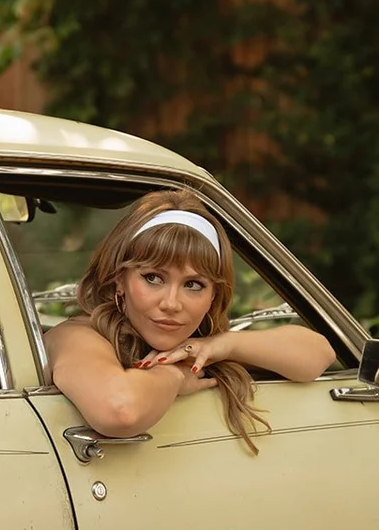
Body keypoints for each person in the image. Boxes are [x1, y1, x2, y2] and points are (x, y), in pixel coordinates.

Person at [46, 189, 336, 453]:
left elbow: (318, 354)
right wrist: (175, 375)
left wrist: (226, 344)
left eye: (194, 284)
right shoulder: (78, 336)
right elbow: (120, 410)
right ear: (120, 280)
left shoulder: (201, 346)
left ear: (214, 295)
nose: (171, 303)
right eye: (153, 278)